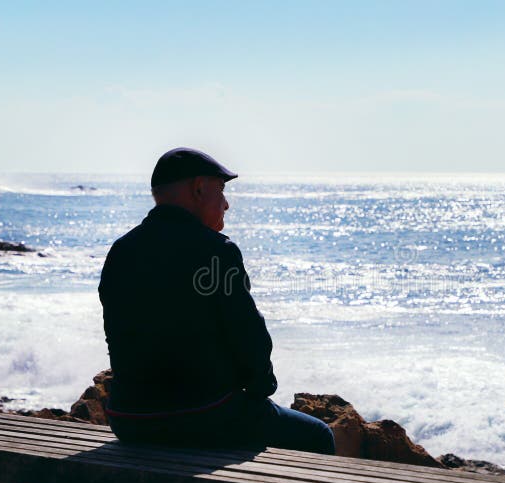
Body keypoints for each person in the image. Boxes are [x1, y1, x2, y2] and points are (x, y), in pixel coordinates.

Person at [98, 147, 334, 454]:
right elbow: (249, 335)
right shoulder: (216, 251)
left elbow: (117, 335)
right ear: (198, 189)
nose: (226, 203)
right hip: (203, 417)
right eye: (220, 190)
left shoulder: (121, 250)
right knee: (318, 435)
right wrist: (261, 389)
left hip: (128, 420)